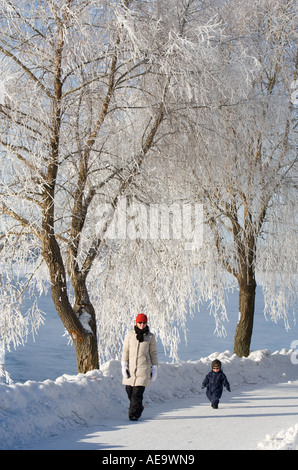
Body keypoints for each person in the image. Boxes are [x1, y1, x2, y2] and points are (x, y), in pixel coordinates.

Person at [121, 313, 158, 421]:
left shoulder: (150, 337)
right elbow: (125, 350)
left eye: (144, 323)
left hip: (143, 369)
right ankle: (138, 408)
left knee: (137, 393)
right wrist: (124, 364)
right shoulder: (130, 335)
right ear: (136, 323)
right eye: (140, 322)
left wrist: (154, 367)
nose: (142, 325)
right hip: (131, 369)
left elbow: (153, 353)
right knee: (129, 391)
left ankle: (133, 415)